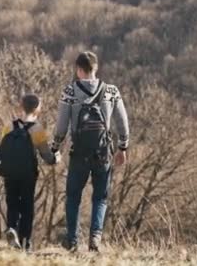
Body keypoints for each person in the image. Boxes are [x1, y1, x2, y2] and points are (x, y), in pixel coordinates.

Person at [51, 51, 130, 253]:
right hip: (103, 153)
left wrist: (55, 147)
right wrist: (122, 147)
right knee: (100, 197)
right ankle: (95, 237)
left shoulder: (70, 91)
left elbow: (61, 126)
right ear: (96, 68)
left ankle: (73, 240)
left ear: (79, 70)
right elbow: (122, 123)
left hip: (79, 154)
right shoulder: (111, 91)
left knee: (73, 197)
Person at [0, 94, 60, 252]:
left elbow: (1, 150)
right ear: (38, 109)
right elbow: (46, 156)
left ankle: (12, 228)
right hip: (28, 175)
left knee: (12, 202)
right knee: (27, 206)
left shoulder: (9, 126)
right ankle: (25, 241)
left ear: (21, 107)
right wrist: (56, 158)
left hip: (9, 173)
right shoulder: (38, 129)